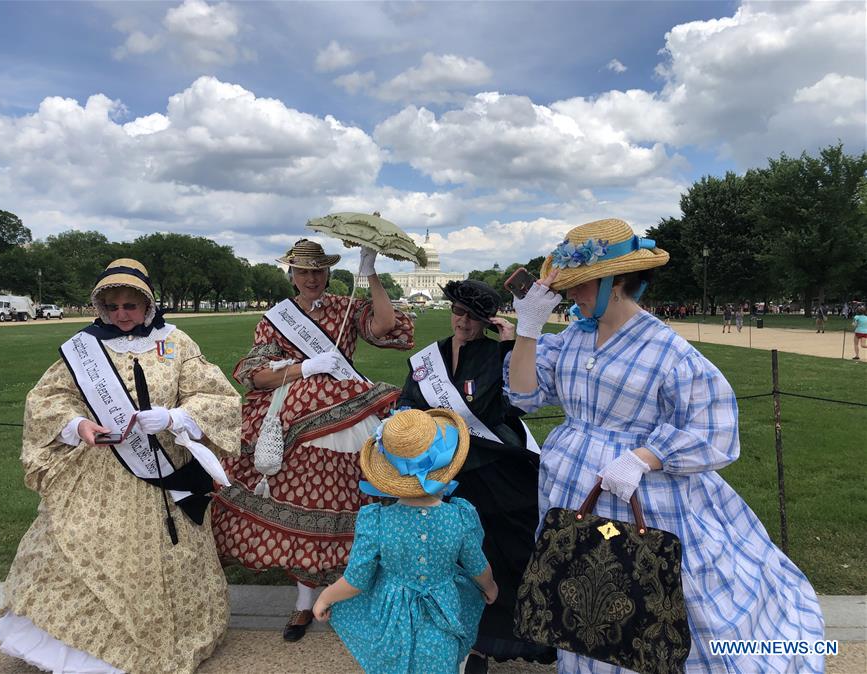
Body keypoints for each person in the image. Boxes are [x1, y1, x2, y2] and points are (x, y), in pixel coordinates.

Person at [506, 218, 825, 674]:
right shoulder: (572, 338)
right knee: (579, 593)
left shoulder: (666, 348)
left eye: (581, 285)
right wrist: (529, 330)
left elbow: (714, 427)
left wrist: (644, 456)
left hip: (639, 495)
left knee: (648, 591)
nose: (572, 295)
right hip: (569, 488)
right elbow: (523, 394)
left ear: (615, 283)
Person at [0, 258, 241, 674]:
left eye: (130, 305)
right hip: (98, 473)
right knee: (78, 548)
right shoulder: (83, 347)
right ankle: (79, 646)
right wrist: (78, 425)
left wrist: (173, 417)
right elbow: (48, 400)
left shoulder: (177, 343)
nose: (122, 314)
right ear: (100, 307)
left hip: (166, 472)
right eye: (112, 307)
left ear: (147, 304)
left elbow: (217, 397)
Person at [211, 239, 415, 642]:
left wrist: (370, 271)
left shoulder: (345, 306)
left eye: (318, 271)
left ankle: (354, 594)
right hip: (293, 421)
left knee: (356, 502)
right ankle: (304, 604)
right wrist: (306, 367)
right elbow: (256, 376)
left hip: (350, 416)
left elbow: (387, 326)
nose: (311, 278)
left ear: (328, 273)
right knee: (306, 504)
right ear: (291, 275)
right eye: (303, 271)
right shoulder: (275, 319)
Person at [397, 279, 555, 672]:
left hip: (492, 471)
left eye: (472, 316)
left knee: (500, 555)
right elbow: (407, 401)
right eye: (458, 312)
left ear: (485, 321)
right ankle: (459, 641)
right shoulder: (427, 360)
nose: (462, 321)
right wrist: (403, 419)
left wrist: (511, 345)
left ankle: (504, 637)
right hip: (441, 474)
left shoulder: (496, 354)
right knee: (447, 561)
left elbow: (516, 404)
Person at [313, 408, 498, 674]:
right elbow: (477, 566)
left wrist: (325, 597)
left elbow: (356, 580)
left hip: (392, 620)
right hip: (443, 615)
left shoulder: (376, 521)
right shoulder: (459, 517)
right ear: (446, 469)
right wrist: (490, 587)